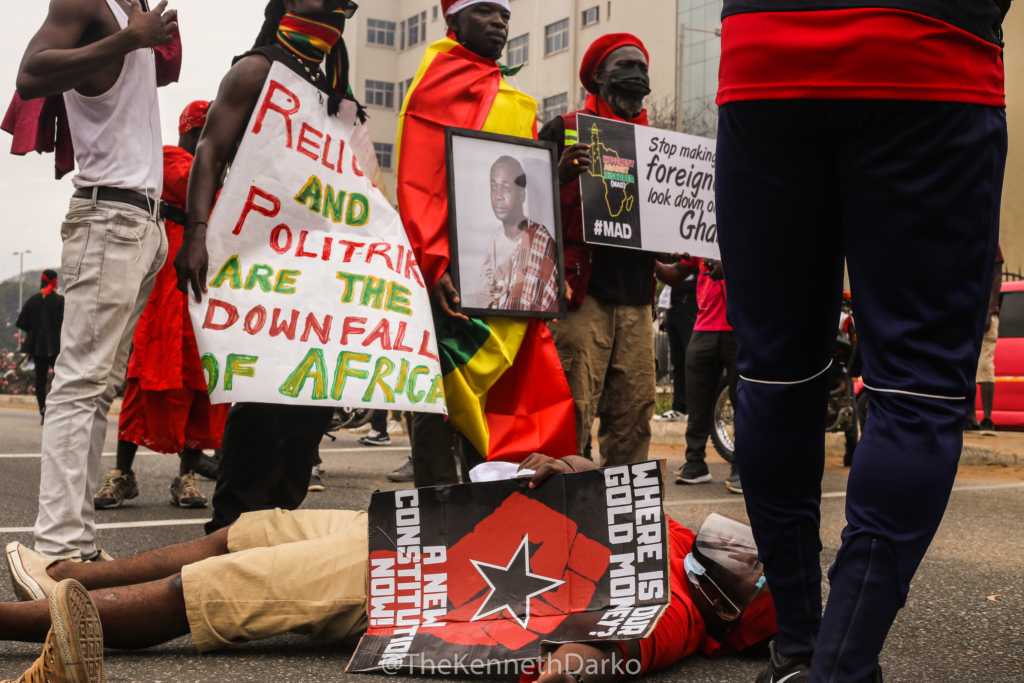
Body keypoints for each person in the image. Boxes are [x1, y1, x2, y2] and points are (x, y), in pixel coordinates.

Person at [714, 1, 1011, 681]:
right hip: (929, 49)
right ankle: (839, 667)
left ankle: (797, 647)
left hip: (765, 52)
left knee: (774, 374)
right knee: (917, 386)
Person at [0, 454, 777, 683]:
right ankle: (66, 572)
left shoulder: (674, 610)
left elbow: (600, 652)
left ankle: (36, 624)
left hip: (421, 581)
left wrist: (561, 665)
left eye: (754, 564)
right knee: (245, 534)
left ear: (735, 602)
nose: (741, 540)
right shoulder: (671, 538)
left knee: (209, 595)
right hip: (422, 531)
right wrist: (565, 467)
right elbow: (584, 475)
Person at [173, 0, 357, 534]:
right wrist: (197, 232)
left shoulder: (331, 86)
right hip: (263, 260)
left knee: (311, 403)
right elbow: (209, 149)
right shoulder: (256, 69)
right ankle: (231, 532)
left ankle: (278, 525)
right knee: (265, 398)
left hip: (321, 267)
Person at [15, 0, 178, 563]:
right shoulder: (83, 2)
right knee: (79, 386)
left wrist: (142, 36)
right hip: (109, 216)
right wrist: (129, 39)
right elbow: (30, 75)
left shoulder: (128, 11)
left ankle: (76, 546)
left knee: (96, 390)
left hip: (139, 222)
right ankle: (57, 549)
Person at [398, 0, 532, 488]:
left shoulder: (505, 90)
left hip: (503, 269)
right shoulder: (440, 79)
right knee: (442, 391)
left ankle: (491, 505)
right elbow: (421, 179)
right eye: (485, 12)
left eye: (505, 14)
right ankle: (438, 512)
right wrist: (435, 265)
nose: (500, 22)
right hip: (450, 268)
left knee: (496, 395)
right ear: (453, 22)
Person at [92, 101, 228, 513]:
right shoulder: (171, 156)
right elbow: (187, 182)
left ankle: (186, 476)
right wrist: (221, 163)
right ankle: (123, 474)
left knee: (200, 382)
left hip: (204, 295)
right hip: (164, 294)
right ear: (195, 131)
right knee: (143, 378)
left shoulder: (223, 173)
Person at [538, 34, 657, 466]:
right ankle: (561, 512)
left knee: (634, 414)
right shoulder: (563, 129)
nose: (637, 76)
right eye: (626, 66)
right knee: (571, 407)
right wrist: (558, 175)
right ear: (599, 78)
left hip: (637, 302)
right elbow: (521, 210)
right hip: (579, 296)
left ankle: (623, 520)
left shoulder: (654, 147)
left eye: (642, 68)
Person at [657, 257, 740, 494]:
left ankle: (741, 466)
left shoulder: (744, 226)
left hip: (739, 327)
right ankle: (695, 462)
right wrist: (650, 260)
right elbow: (674, 274)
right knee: (697, 398)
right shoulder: (699, 231)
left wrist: (729, 266)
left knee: (741, 399)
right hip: (703, 327)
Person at [477, 156, 559, 313]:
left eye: (506, 189)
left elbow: (528, 305)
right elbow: (483, 295)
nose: (498, 196)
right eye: (493, 187)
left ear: (521, 196)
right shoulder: (495, 237)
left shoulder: (539, 239)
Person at [16, 270, 65, 424]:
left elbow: (22, 323)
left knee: (40, 380)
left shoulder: (32, 300)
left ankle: (43, 410)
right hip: (56, 346)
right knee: (61, 378)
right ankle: (59, 411)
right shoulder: (60, 300)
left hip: (37, 347)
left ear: (42, 281)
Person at [968, 246, 1004, 435]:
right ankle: (971, 418)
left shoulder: (992, 243)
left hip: (986, 317)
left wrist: (989, 312)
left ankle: (987, 419)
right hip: (968, 316)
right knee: (968, 366)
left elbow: (997, 278)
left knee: (984, 365)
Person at [653, 272, 698, 423]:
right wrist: (667, 315)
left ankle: (698, 410)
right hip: (674, 314)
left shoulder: (699, 257)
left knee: (694, 363)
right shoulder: (675, 259)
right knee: (678, 363)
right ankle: (680, 408)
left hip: (691, 314)